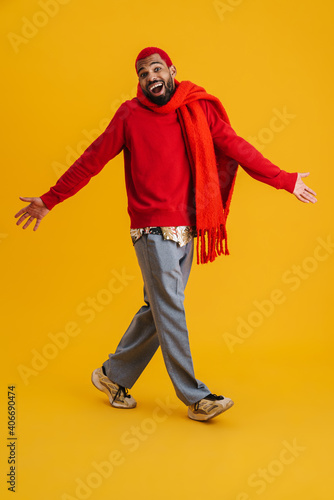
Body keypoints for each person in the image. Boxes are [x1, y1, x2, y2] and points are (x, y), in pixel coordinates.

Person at [15, 47, 317, 422]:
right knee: (171, 307)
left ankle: (112, 376)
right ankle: (197, 397)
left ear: (171, 70)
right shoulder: (129, 115)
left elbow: (235, 147)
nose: (150, 77)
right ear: (139, 80)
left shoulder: (197, 108)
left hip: (187, 228)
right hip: (150, 228)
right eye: (142, 73)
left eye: (156, 69)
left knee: (157, 308)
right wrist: (49, 199)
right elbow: (91, 159)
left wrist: (285, 180)